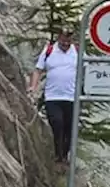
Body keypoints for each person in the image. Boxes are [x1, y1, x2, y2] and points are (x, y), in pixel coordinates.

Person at [27, 28, 79, 164]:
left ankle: (64, 155)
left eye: (68, 41)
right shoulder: (49, 51)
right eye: (63, 41)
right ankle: (58, 155)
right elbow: (38, 70)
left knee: (69, 129)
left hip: (72, 98)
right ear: (58, 38)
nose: (66, 44)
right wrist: (33, 86)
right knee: (57, 123)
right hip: (52, 97)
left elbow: (88, 68)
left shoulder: (78, 51)